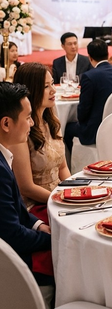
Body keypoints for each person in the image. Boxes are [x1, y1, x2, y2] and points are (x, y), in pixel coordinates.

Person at [0, 82, 53, 306]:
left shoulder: (4, 155)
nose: (31, 123)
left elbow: (14, 211)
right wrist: (52, 239)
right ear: (6, 123)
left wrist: (37, 225)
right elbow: (11, 234)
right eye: (28, 117)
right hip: (11, 267)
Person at [12, 63, 70, 209]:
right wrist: (61, 200)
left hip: (58, 197)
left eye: (52, 83)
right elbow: (26, 187)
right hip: (35, 204)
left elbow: (62, 168)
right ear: (31, 90)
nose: (53, 90)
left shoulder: (52, 122)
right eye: (46, 86)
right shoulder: (21, 131)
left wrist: (73, 194)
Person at [64, 39, 112, 149]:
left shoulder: (89, 76)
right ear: (107, 54)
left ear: (90, 57)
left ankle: (72, 160)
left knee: (66, 128)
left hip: (96, 131)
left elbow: (83, 110)